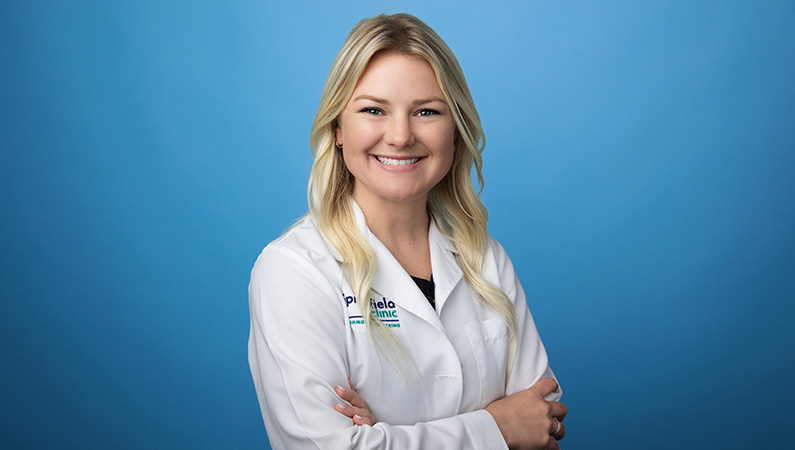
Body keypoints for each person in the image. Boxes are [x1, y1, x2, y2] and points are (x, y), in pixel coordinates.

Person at [248, 13, 567, 450]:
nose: (400, 136)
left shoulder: (484, 258)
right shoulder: (294, 270)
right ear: (338, 128)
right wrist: (497, 429)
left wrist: (385, 435)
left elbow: (541, 419)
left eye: (426, 111)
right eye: (373, 110)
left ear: (455, 131)